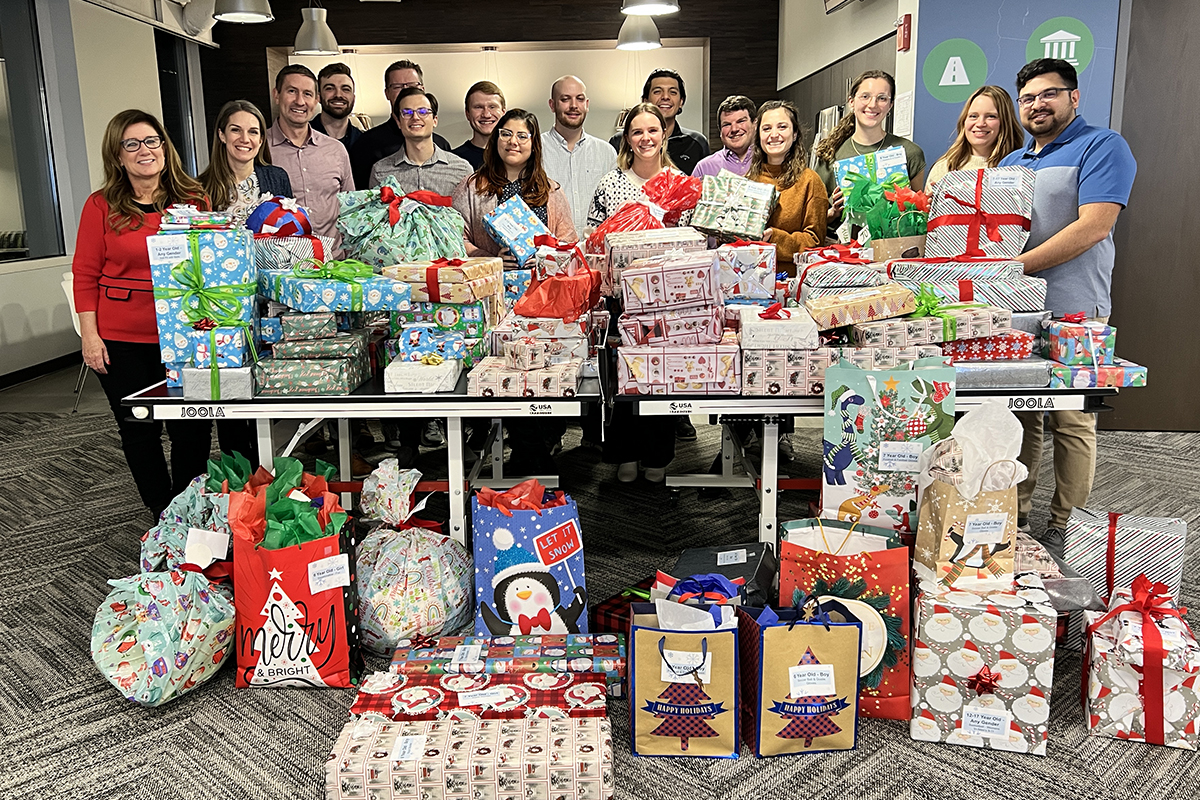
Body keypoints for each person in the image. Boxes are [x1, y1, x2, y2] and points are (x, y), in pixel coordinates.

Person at [999, 58, 1136, 547]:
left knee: (1073, 418)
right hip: (1017, 309)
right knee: (1020, 416)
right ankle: (1014, 517)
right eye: (1028, 98)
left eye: (1048, 94)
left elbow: (1094, 225)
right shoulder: (1012, 164)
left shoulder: (1102, 146)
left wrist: (1014, 267)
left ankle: (1065, 527)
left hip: (1077, 307)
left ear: (1073, 97)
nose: (1037, 105)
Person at [72, 110, 213, 522]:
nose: (144, 151)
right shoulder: (101, 206)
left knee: (193, 423)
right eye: (131, 144)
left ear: (165, 149)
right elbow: (85, 274)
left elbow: (210, 265)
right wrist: (89, 335)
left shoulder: (194, 200)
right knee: (139, 427)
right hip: (121, 338)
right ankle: (160, 509)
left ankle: (188, 504)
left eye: (152, 141)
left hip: (185, 334)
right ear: (118, 156)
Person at [590, 104, 686, 481]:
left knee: (661, 375)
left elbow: (695, 242)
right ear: (627, 138)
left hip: (670, 299)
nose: (645, 138)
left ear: (664, 134)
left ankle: (658, 456)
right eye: (637, 132)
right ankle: (623, 453)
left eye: (652, 130)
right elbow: (594, 239)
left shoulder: (680, 181)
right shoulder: (611, 183)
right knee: (621, 373)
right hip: (620, 297)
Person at [452, 108, 578, 260]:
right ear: (496, 139)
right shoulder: (471, 186)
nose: (513, 141)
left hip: (541, 282)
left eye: (522, 136)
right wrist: (491, 260)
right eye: (506, 134)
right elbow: (456, 238)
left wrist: (545, 259)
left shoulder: (551, 191)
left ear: (534, 144)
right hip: (489, 280)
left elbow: (568, 243)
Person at [813, 70, 926, 239]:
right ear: (851, 102)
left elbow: (920, 214)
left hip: (894, 251)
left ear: (890, 105)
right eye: (865, 96)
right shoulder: (830, 154)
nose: (873, 105)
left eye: (882, 98)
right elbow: (811, 220)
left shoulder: (909, 152)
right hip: (842, 255)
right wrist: (833, 213)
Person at [265, 64, 353, 253]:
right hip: (282, 268)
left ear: (316, 100)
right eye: (291, 91)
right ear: (276, 95)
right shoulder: (259, 148)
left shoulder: (336, 150)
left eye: (307, 94)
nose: (299, 101)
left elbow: (351, 212)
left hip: (335, 265)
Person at [746, 100, 829, 264]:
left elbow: (815, 242)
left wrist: (774, 238)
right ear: (758, 136)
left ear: (795, 133)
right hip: (750, 279)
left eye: (782, 127)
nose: (774, 134)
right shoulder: (747, 181)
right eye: (767, 128)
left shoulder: (810, 181)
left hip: (792, 281)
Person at [349, 60, 451, 190]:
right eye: (397, 86)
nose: (406, 91)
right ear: (387, 93)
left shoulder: (441, 145)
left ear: (422, 89)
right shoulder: (366, 144)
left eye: (412, 85)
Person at [541, 75, 617, 236]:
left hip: (596, 252)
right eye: (565, 99)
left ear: (587, 104)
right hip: (549, 253)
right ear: (552, 105)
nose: (574, 105)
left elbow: (615, 208)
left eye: (580, 99)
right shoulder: (535, 149)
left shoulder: (606, 153)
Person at [200, 99, 292, 228]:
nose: (244, 139)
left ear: (261, 140)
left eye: (253, 132)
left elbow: (291, 232)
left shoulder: (278, 177)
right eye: (236, 130)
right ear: (222, 135)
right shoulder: (200, 187)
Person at [367, 87, 472, 195]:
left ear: (435, 120)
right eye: (407, 112)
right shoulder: (380, 171)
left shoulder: (462, 170)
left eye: (423, 111)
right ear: (398, 122)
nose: (415, 117)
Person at [608, 69, 709, 175]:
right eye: (657, 92)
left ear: (681, 102)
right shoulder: (619, 141)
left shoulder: (697, 142)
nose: (665, 97)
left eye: (673, 92)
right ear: (645, 100)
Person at [926, 85, 1024, 187]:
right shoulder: (943, 168)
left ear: (1005, 122)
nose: (980, 123)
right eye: (973, 116)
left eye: (991, 116)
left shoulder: (1018, 166)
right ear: (964, 121)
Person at [692, 95, 756, 179]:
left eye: (741, 121)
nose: (734, 129)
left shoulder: (770, 161)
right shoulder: (704, 168)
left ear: (755, 124)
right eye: (727, 124)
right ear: (720, 131)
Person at [452, 81, 505, 171]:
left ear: (503, 112)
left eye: (492, 107)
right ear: (467, 114)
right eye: (478, 107)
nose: (486, 114)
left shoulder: (515, 156)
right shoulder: (454, 160)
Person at [310, 62, 363, 152]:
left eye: (345, 89)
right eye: (330, 88)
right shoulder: (302, 137)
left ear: (353, 98)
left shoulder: (365, 142)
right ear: (318, 96)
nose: (338, 95)